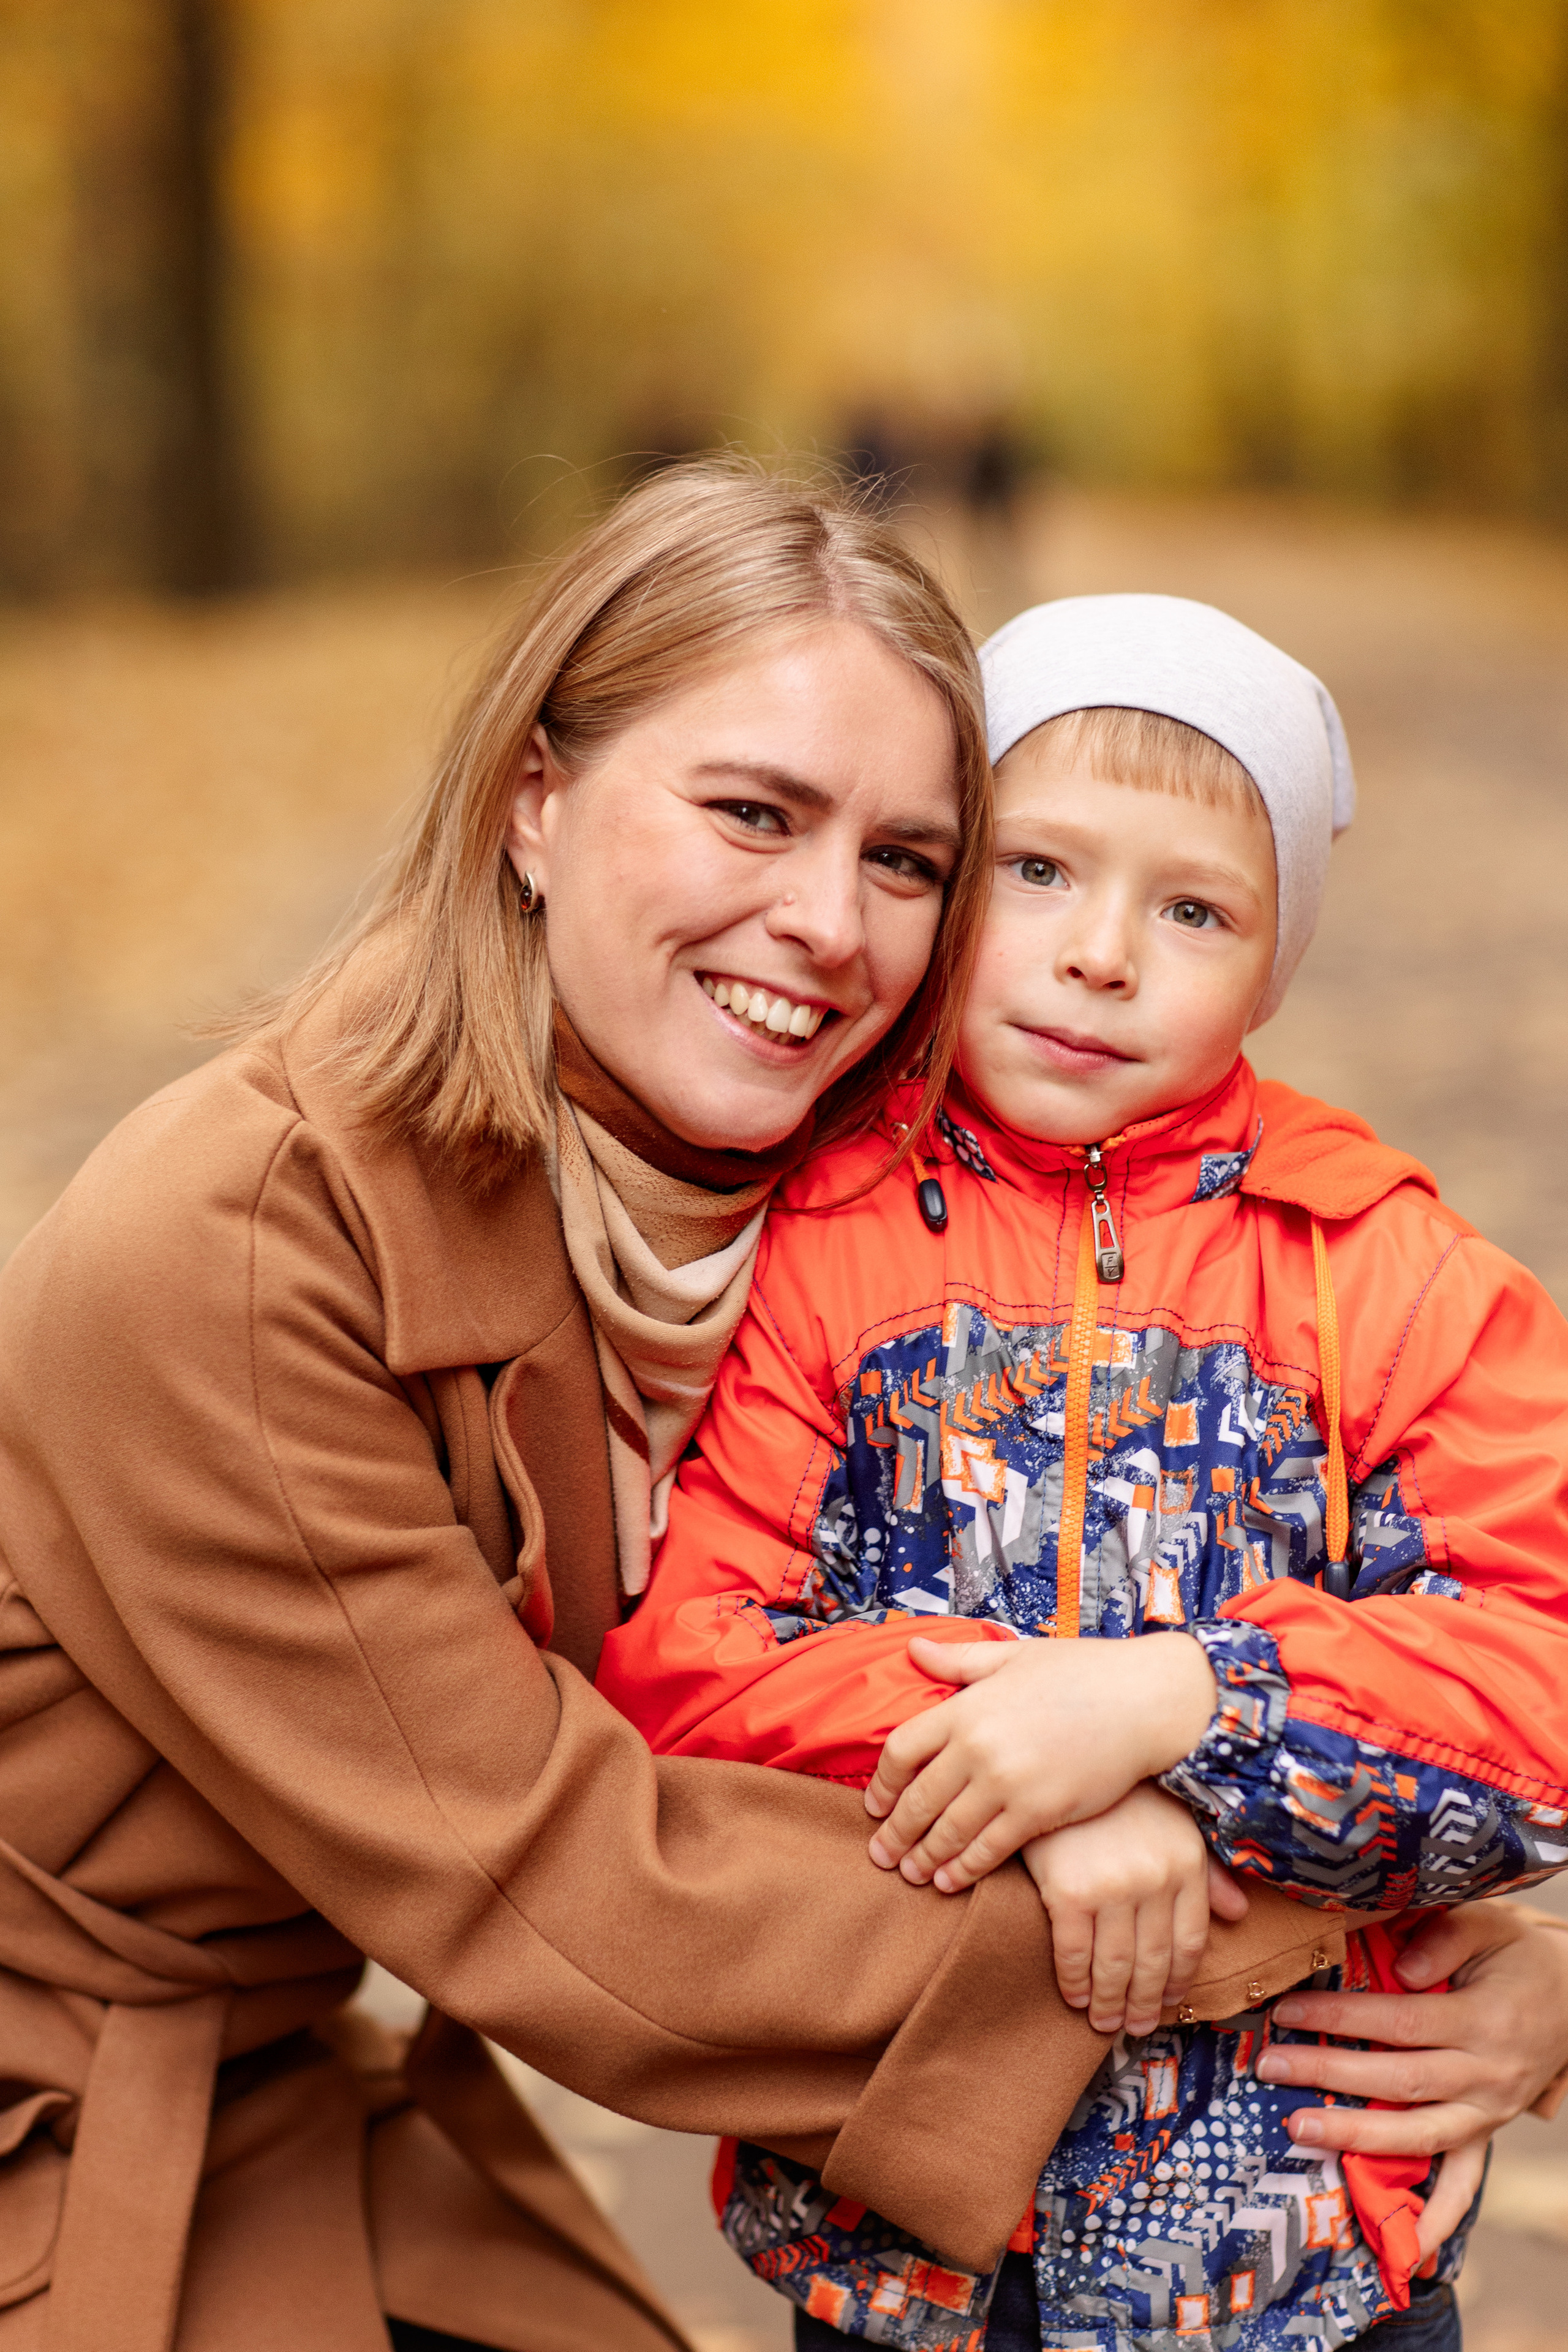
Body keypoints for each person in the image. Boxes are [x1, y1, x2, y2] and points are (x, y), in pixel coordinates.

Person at [0, 467, 1121, 2352]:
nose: (828, 926)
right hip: (56, 2112)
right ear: (536, 798)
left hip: (277, 2076)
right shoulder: (248, 1241)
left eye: (907, 861)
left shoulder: (822, 1198)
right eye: (752, 812)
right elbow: (567, 1886)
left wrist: (1397, 1866)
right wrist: (1288, 1940)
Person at [597, 593, 1568, 2351]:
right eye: (1039, 872)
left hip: (1309, 2267)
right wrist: (1034, 1759)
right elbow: (680, 1673)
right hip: (899, 2235)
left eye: (1193, 906)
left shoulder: (1387, 1277)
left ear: (1275, 958)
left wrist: (1184, 1703)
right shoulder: (812, 1240)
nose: (1103, 952)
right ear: (953, 887)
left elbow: (1545, 1673)